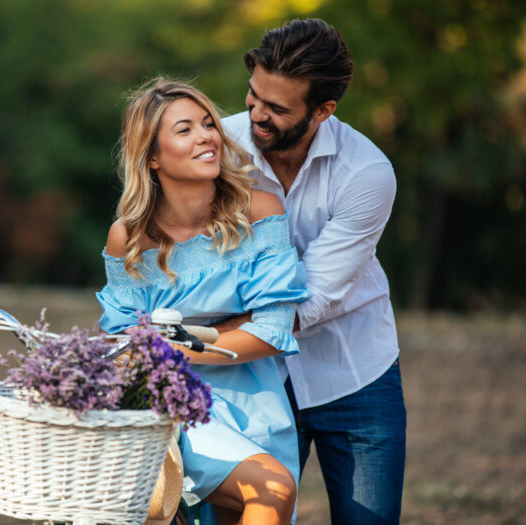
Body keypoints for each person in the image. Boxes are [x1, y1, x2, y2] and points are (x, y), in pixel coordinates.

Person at [96, 77, 310, 525]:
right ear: (152, 157)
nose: (206, 136)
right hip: (173, 407)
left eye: (208, 123)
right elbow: (120, 339)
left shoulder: (261, 211)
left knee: (260, 502)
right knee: (272, 489)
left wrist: (172, 348)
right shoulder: (130, 239)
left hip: (256, 404)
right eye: (185, 129)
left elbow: (274, 328)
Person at [220, 18, 407, 524]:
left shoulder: (367, 173)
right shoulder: (221, 149)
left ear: (324, 110)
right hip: (257, 379)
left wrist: (205, 338)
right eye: (253, 97)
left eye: (277, 109)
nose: (256, 116)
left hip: (355, 375)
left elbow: (315, 297)